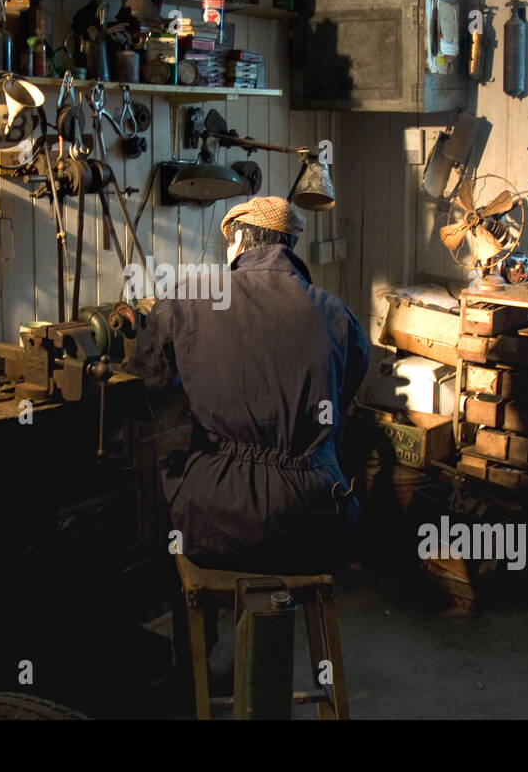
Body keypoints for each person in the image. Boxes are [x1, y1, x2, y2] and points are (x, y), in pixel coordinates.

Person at [129, 195, 371, 574]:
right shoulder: (337, 314)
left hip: (218, 522)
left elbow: (145, 384)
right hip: (316, 524)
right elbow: (344, 391)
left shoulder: (188, 299)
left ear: (238, 242)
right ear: (288, 245)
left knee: (174, 463)